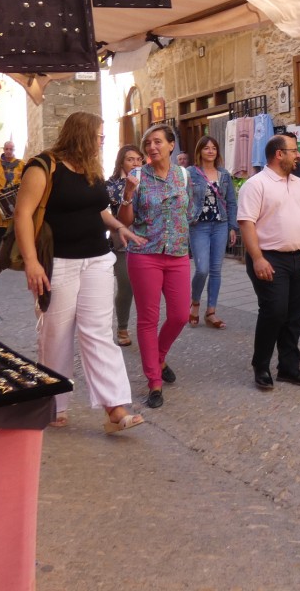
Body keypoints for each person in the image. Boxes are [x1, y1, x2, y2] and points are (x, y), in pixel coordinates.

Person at [15, 112, 145, 433]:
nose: (102, 141)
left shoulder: (90, 168)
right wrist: (31, 262)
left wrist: (118, 227)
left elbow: (98, 208)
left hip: (97, 260)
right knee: (56, 334)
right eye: (99, 135)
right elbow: (22, 214)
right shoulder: (43, 166)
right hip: (59, 262)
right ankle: (53, 403)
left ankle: (115, 407)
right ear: (82, 134)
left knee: (98, 332)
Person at [118, 124, 192, 409]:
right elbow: (125, 221)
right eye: (148, 143)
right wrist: (127, 192)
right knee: (148, 319)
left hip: (177, 254)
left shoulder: (183, 175)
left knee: (180, 315)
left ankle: (159, 358)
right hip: (144, 253)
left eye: (158, 142)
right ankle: (154, 381)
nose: (151, 147)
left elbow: (188, 211)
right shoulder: (137, 176)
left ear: (171, 145)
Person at [238, 133, 300, 390]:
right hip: (270, 258)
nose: (298, 155)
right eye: (293, 150)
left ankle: (289, 368)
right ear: (278, 154)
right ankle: (261, 366)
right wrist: (257, 258)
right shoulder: (256, 184)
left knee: (295, 315)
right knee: (274, 312)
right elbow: (246, 223)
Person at [186, 136, 238, 329]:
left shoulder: (224, 174)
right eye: (206, 148)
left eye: (214, 148)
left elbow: (231, 202)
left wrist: (233, 227)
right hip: (199, 225)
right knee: (202, 269)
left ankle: (211, 312)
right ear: (199, 151)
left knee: (216, 270)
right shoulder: (190, 173)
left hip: (220, 225)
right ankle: (195, 302)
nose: (210, 151)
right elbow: (183, 199)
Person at [106, 144, 143, 347]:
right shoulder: (111, 185)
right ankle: (122, 327)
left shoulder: (148, 181)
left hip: (146, 241)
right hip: (122, 242)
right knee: (126, 285)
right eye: (131, 159)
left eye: (139, 159)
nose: (136, 163)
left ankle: (145, 328)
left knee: (145, 287)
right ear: (121, 162)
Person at [0, 141, 25, 251]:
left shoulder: (22, 164)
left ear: (14, 150)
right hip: (0, 199)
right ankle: (0, 251)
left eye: (11, 149)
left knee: (16, 228)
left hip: (15, 199)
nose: (8, 151)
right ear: (3, 149)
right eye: (6, 149)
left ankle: (13, 252)